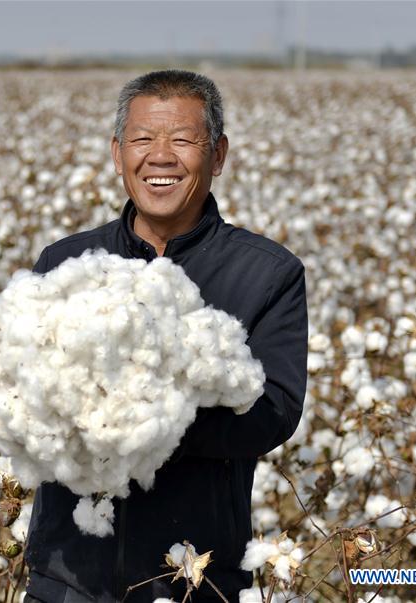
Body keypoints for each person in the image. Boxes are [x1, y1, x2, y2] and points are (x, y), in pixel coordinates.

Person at [23, 70, 308, 602]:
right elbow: (14, 392)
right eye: (142, 140)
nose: (160, 156)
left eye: (182, 140)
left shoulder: (268, 274)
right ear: (117, 154)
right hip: (67, 577)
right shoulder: (64, 264)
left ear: (217, 156)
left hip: (193, 576)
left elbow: (274, 412)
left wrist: (146, 416)